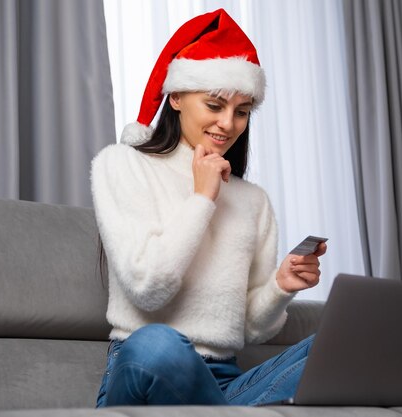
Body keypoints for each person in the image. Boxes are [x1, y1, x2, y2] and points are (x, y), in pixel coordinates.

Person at [92, 9, 327, 407]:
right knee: (156, 343)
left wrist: (280, 286)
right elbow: (148, 288)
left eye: (242, 111)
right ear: (178, 97)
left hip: (225, 381)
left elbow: (248, 327)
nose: (228, 124)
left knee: (340, 344)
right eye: (215, 105)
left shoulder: (253, 200)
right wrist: (201, 199)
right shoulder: (122, 164)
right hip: (148, 368)